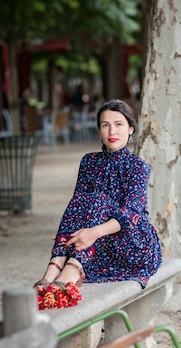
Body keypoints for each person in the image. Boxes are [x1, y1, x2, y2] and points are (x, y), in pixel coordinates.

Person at [34, 99, 162, 293]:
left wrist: (91, 233)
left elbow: (130, 215)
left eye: (119, 124)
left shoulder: (138, 167)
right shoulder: (89, 162)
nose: (112, 132)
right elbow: (78, 206)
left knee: (97, 198)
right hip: (100, 246)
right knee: (85, 200)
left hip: (134, 244)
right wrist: (67, 235)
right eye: (105, 125)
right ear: (100, 130)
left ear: (130, 129)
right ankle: (55, 266)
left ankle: (71, 268)